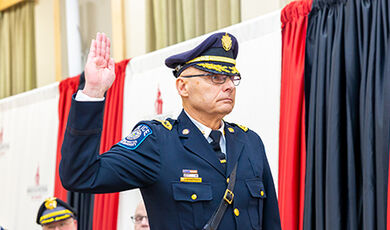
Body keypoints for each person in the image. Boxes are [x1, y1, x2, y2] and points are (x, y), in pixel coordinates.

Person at [60, 32, 281, 229]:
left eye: (232, 78)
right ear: (183, 87)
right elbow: (81, 175)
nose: (229, 86)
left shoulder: (249, 142)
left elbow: (270, 221)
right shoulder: (157, 142)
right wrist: (93, 92)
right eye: (216, 78)